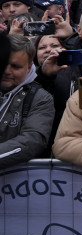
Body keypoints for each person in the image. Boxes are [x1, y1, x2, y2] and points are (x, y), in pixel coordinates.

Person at [0, 34, 54, 168]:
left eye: (15, 66)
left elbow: (32, 141)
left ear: (29, 67)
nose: (7, 71)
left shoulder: (41, 98)